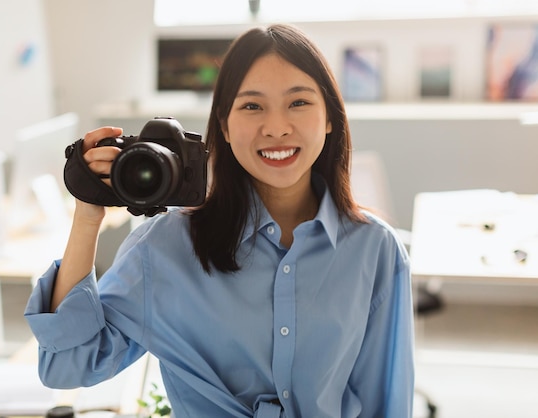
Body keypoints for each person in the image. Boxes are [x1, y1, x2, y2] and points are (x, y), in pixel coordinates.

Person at [25, 23, 414, 418]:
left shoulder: (375, 249)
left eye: (298, 102)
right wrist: (88, 215)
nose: (277, 127)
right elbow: (66, 364)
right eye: (252, 106)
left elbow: (386, 402)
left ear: (330, 117)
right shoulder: (165, 247)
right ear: (224, 127)